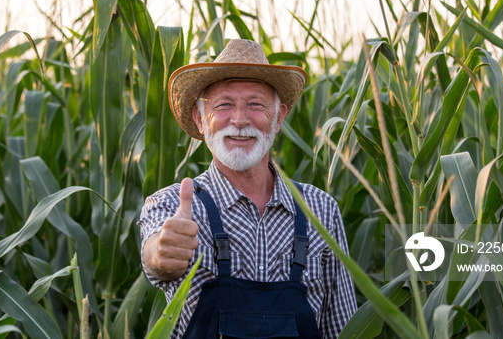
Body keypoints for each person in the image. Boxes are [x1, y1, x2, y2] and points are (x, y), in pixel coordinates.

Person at [138, 39, 357, 338]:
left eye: (255, 104)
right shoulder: (171, 205)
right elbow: (156, 256)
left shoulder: (320, 210)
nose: (240, 120)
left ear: (278, 118)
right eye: (224, 105)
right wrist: (162, 254)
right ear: (200, 119)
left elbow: (342, 328)